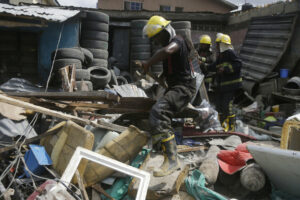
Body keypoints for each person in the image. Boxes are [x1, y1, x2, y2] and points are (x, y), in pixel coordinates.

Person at [135, 16, 196, 177]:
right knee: (155, 112)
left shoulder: (177, 41)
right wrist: (161, 78)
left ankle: (172, 160)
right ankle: (163, 152)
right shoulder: (171, 45)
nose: (156, 43)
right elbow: (172, 67)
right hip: (176, 87)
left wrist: (147, 63)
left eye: (156, 38)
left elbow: (167, 51)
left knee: (159, 112)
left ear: (164, 31)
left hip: (183, 88)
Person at [208, 34, 242, 131]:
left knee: (227, 106)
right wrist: (203, 64)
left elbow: (238, 64)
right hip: (222, 87)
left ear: (223, 44)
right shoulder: (221, 55)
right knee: (219, 105)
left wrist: (225, 69)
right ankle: (222, 125)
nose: (217, 46)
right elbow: (214, 66)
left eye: (218, 44)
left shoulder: (230, 53)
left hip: (230, 86)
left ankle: (231, 126)